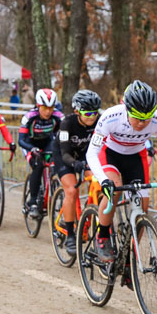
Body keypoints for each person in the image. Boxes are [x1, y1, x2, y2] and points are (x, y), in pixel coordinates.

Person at [85, 80, 157, 262]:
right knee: (114, 188)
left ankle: (129, 254)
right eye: (137, 117)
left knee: (142, 208)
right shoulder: (111, 116)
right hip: (110, 154)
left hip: (136, 157)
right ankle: (102, 236)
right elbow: (92, 152)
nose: (142, 123)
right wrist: (103, 180)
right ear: (126, 108)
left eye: (147, 118)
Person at [54, 89, 102, 253]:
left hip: (85, 156)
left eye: (94, 113)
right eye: (87, 113)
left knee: (99, 183)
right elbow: (65, 153)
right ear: (77, 111)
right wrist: (75, 164)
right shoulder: (67, 123)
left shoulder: (99, 121)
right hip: (65, 155)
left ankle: (93, 222)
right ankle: (70, 235)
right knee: (72, 190)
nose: (92, 117)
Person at [18, 88, 64, 217]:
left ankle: (52, 191)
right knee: (38, 165)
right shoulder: (29, 117)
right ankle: (32, 202)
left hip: (47, 142)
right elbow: (21, 140)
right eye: (44, 108)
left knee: (55, 162)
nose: (48, 111)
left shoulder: (58, 116)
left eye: (51, 108)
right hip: (29, 144)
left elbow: (66, 132)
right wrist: (31, 149)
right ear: (38, 105)